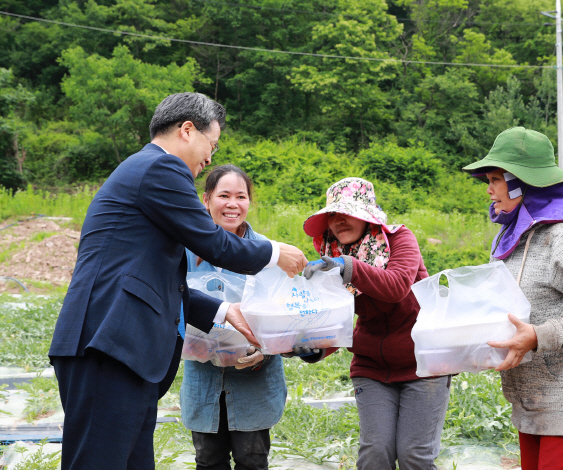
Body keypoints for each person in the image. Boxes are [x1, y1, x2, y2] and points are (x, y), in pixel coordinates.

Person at [48, 92, 307, 470]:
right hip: (107, 343)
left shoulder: (145, 173)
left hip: (125, 348)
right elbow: (216, 243)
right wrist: (272, 252)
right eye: (211, 145)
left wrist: (222, 310)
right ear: (188, 130)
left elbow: (166, 280)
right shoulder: (160, 169)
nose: (210, 158)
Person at [462, 127, 563, 470]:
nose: (488, 189)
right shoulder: (510, 237)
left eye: (494, 179)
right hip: (530, 396)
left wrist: (537, 336)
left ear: (521, 182)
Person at [301, 177, 452, 470]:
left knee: (414, 455)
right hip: (372, 367)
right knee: (375, 453)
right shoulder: (332, 257)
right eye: (332, 214)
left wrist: (349, 267)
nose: (339, 221)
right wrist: (314, 347)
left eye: (349, 212)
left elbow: (396, 286)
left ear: (367, 215)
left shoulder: (399, 239)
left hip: (424, 363)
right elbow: (337, 318)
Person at [180, 165, 287, 470]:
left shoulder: (267, 253)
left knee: (252, 460)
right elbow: (171, 303)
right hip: (202, 381)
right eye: (223, 195)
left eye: (241, 196)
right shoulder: (184, 251)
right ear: (206, 199)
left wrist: (264, 349)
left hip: (255, 382)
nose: (232, 204)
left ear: (249, 202)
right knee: (208, 460)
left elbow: (284, 318)